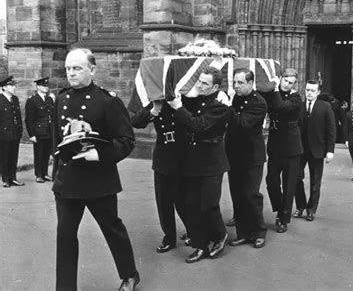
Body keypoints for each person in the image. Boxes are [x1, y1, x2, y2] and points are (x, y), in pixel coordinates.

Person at [52, 48, 139, 291]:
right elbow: (56, 140)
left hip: (99, 181)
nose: (71, 73)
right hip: (68, 182)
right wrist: (55, 176)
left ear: (92, 69)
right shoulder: (61, 99)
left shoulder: (107, 101)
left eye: (77, 68)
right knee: (65, 236)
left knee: (112, 229)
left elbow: (126, 140)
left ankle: (130, 275)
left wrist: (99, 154)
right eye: (68, 68)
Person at [167, 67, 230, 263]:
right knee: (191, 205)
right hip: (193, 159)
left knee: (209, 205)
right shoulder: (194, 98)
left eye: (205, 83)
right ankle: (199, 245)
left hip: (212, 161)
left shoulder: (220, 104)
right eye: (199, 81)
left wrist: (178, 107)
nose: (200, 85)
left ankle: (220, 235)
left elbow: (199, 125)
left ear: (216, 87)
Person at [129, 99, 189, 253]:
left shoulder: (182, 98)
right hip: (163, 154)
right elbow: (135, 122)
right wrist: (153, 111)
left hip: (183, 152)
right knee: (163, 201)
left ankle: (193, 231)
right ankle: (169, 238)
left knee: (184, 199)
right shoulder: (156, 101)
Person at [225, 69, 267, 249]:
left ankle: (258, 232)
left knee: (250, 194)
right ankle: (243, 233)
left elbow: (242, 123)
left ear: (251, 83)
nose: (236, 86)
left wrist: (226, 108)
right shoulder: (236, 98)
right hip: (234, 154)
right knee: (237, 194)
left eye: (240, 83)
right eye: (235, 82)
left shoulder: (259, 102)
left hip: (252, 156)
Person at [263, 68, 303, 233]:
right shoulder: (273, 93)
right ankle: (279, 208)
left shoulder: (296, 98)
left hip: (292, 147)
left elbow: (279, 107)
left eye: (292, 82)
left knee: (289, 185)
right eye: (286, 81)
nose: (288, 84)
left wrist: (275, 89)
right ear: (281, 79)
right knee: (271, 182)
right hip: (275, 145)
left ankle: (283, 218)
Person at [294, 80, 336, 220]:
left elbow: (331, 129)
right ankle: (300, 206)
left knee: (315, 181)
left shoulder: (325, 107)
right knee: (296, 178)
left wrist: (330, 150)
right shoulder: (299, 106)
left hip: (317, 149)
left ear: (318, 92)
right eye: (307, 90)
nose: (309, 93)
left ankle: (311, 210)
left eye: (312, 90)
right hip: (300, 150)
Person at [25, 77, 55, 183]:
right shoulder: (32, 101)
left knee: (46, 153)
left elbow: (51, 115)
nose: (46, 88)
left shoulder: (49, 99)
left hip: (49, 131)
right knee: (39, 153)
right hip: (38, 132)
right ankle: (39, 174)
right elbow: (29, 119)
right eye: (43, 86)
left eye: (47, 86)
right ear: (38, 87)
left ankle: (45, 173)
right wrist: (31, 134)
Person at [0, 76, 25, 188]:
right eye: (11, 85)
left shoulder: (14, 99)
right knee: (5, 157)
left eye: (14, 85)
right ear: (4, 87)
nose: (14, 87)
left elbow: (18, 116)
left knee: (14, 157)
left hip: (15, 133)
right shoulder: (0, 99)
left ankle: (13, 177)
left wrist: (20, 131)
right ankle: (6, 179)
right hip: (4, 134)